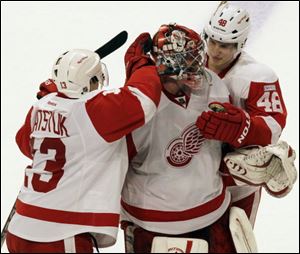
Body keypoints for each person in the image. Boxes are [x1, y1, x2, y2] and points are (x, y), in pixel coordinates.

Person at [6, 34, 162, 253]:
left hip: (21, 228)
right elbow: (143, 99)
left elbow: (25, 144)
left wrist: (51, 101)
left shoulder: (40, 107)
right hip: (60, 234)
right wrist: (140, 63)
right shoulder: (94, 110)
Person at [120, 23, 238, 253]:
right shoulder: (139, 106)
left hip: (211, 211)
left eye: (196, 59)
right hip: (153, 221)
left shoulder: (214, 85)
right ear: (168, 66)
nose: (198, 69)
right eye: (189, 63)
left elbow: (226, 148)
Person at [198, 2, 288, 227]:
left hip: (237, 183)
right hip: (194, 176)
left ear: (241, 43)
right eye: (213, 41)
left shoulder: (258, 76)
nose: (215, 51)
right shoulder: (192, 64)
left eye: (225, 45)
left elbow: (272, 127)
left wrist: (242, 127)